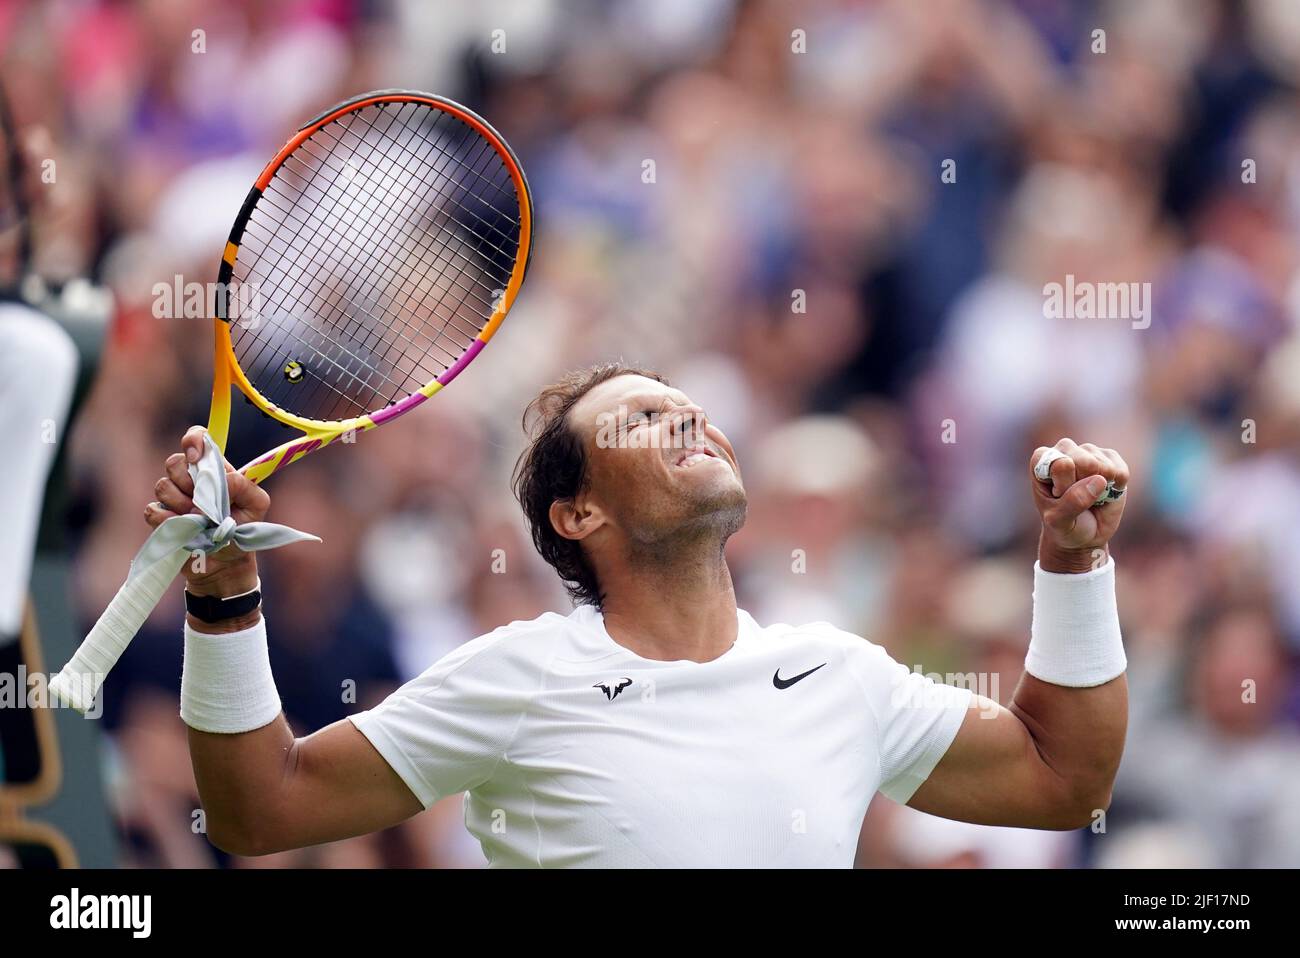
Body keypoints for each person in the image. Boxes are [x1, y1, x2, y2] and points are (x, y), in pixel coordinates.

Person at [149, 363, 1129, 867]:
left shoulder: (842, 673)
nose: (687, 419)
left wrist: (1072, 562)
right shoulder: (515, 676)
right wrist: (221, 585)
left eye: (688, 408)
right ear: (581, 514)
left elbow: (1061, 776)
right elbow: (257, 808)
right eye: (640, 419)